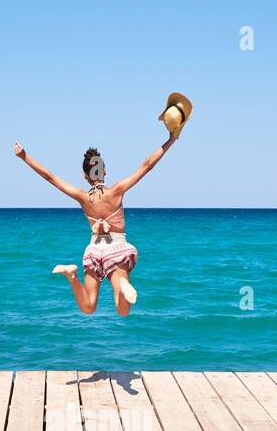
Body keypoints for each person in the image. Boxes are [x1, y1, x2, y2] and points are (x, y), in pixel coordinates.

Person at [13, 135, 177, 316]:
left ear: (85, 176)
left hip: (94, 250)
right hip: (116, 248)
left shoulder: (83, 197)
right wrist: (171, 139)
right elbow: (147, 165)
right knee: (122, 310)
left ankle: (72, 276)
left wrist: (24, 157)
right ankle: (122, 286)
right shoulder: (117, 191)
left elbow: (50, 177)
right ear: (104, 171)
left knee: (88, 307)